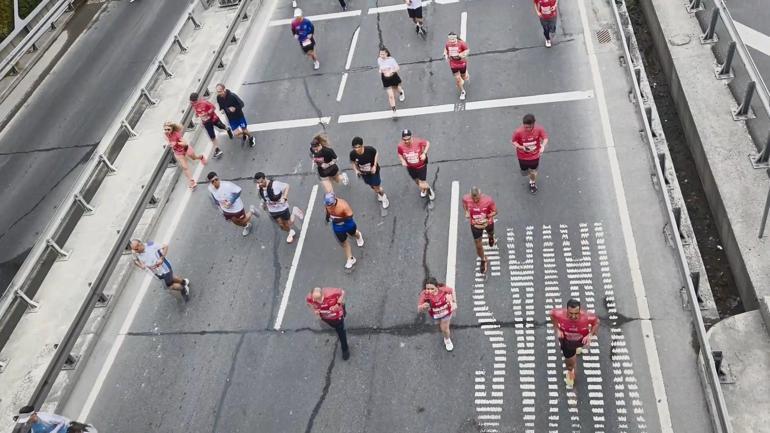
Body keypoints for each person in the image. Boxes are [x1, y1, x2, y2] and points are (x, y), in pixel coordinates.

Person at [549, 299, 599, 389]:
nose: (573, 316)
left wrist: (590, 335)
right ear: (566, 311)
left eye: (576, 313)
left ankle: (577, 349)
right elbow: (551, 314)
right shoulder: (560, 314)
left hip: (581, 340)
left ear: (580, 311)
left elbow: (596, 322)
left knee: (579, 347)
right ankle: (570, 372)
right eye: (570, 313)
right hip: (567, 342)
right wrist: (557, 329)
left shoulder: (587, 317)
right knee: (570, 364)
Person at [207, 171, 257, 236]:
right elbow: (214, 196)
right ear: (210, 182)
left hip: (237, 208)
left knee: (242, 220)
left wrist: (231, 202)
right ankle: (246, 226)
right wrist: (218, 205)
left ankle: (252, 211)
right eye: (212, 181)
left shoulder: (227, 185)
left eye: (216, 179)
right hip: (226, 210)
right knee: (235, 222)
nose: (215, 182)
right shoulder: (210, 188)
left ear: (218, 178)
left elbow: (238, 191)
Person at [306, 287, 350, 360]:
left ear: (323, 294)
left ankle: (345, 350)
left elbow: (342, 292)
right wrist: (314, 310)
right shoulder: (310, 297)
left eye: (319, 298)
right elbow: (308, 303)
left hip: (337, 316)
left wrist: (338, 304)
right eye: (315, 299)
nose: (317, 301)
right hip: (326, 317)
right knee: (333, 326)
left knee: (341, 332)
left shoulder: (332, 293)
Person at [254, 172, 297, 243]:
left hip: (282, 208)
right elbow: (263, 196)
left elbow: (287, 186)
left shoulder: (275, 184)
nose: (260, 184)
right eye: (258, 183)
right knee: (281, 225)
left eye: (261, 182)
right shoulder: (259, 186)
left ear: (265, 178)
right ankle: (290, 232)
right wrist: (263, 203)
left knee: (289, 223)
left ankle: (294, 212)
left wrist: (285, 198)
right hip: (273, 210)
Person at [462, 187, 497, 274]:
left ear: (480, 195)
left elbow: (495, 211)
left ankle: (491, 237)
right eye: (473, 199)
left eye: (477, 198)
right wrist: (466, 211)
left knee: (490, 233)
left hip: (487, 223)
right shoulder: (466, 198)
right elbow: (464, 204)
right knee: (478, 245)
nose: (475, 200)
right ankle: (483, 259)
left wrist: (486, 217)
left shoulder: (488, 200)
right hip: (475, 225)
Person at [324, 192, 364, 269]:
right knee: (344, 243)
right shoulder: (327, 205)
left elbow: (350, 215)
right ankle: (350, 259)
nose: (329, 207)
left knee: (353, 234)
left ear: (334, 202)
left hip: (347, 224)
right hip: (337, 227)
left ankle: (358, 235)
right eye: (327, 205)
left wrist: (337, 219)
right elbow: (327, 212)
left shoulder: (343, 205)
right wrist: (327, 218)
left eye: (330, 205)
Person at [511, 113, 549, 194]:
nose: (527, 129)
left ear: (533, 124)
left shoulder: (539, 129)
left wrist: (543, 146)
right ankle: (528, 172)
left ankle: (532, 182)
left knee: (533, 171)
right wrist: (522, 147)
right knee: (524, 173)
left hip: (535, 156)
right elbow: (513, 141)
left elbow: (545, 138)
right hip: (522, 156)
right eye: (525, 127)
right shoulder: (518, 132)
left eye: (529, 127)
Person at [417, 277, 457, 351]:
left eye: (432, 289)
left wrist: (453, 301)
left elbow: (451, 291)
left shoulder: (443, 289)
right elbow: (419, 309)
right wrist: (423, 307)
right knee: (440, 325)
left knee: (444, 329)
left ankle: (447, 340)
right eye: (427, 289)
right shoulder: (424, 294)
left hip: (446, 313)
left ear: (437, 287)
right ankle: (445, 332)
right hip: (435, 314)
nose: (429, 291)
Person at [163, 121, 206, 189]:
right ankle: (192, 181)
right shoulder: (165, 135)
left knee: (194, 158)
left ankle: (201, 157)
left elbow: (185, 143)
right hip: (178, 152)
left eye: (168, 129)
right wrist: (169, 143)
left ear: (172, 129)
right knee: (185, 167)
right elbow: (168, 142)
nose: (166, 131)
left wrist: (176, 143)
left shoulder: (176, 134)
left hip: (185, 149)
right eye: (165, 129)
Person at [190, 92, 233, 159]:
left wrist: (207, 113)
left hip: (213, 118)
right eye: (192, 102)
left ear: (198, 99)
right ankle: (217, 149)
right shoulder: (193, 105)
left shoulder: (205, 102)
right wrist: (197, 115)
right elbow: (197, 111)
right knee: (212, 136)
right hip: (206, 122)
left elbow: (213, 108)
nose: (193, 104)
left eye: (194, 102)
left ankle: (228, 129)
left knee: (222, 127)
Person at [349, 136, 389, 209]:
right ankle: (379, 192)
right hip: (364, 174)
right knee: (372, 186)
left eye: (358, 147)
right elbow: (352, 162)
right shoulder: (353, 154)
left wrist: (374, 165)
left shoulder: (369, 150)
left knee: (377, 187)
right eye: (354, 147)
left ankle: (384, 198)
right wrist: (356, 170)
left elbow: (376, 153)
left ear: (362, 145)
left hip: (374, 172)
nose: (356, 149)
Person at [397, 129, 435, 200]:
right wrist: (402, 160)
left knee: (423, 182)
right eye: (404, 140)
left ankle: (429, 190)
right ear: (402, 139)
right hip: (410, 167)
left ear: (411, 137)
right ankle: (423, 189)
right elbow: (399, 153)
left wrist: (424, 153)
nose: (407, 141)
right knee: (416, 180)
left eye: (408, 139)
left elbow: (427, 143)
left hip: (421, 166)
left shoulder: (418, 141)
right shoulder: (400, 146)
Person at [215, 83, 255, 148]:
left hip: (239, 116)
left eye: (220, 91)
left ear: (224, 89)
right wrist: (222, 109)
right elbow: (221, 105)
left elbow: (242, 104)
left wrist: (235, 108)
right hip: (231, 118)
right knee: (236, 134)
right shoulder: (218, 97)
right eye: (217, 92)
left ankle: (251, 137)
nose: (219, 93)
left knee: (244, 130)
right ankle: (244, 135)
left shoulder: (232, 96)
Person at [377, 47, 405, 116]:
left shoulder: (391, 60)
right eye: (380, 54)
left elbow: (397, 68)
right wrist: (380, 70)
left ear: (386, 54)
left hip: (393, 77)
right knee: (391, 96)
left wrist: (391, 71)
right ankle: (394, 111)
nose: (382, 56)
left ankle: (401, 93)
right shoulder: (379, 60)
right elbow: (381, 67)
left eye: (383, 54)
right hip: (385, 78)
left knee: (397, 88)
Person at [444, 32, 469, 100]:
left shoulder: (461, 43)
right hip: (453, 65)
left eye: (453, 39)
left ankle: (464, 75)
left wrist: (462, 54)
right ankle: (463, 92)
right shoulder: (447, 44)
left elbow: (467, 51)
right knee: (458, 80)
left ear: (456, 38)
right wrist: (445, 55)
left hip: (462, 64)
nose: (452, 41)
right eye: (450, 39)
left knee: (464, 78)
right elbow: (446, 50)